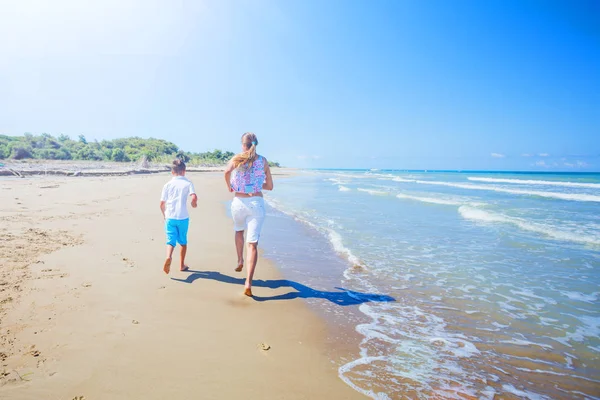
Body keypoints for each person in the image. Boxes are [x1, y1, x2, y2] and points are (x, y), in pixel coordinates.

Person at [224, 132, 274, 297]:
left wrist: (230, 186)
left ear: (242, 144)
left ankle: (240, 260)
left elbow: (226, 172)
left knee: (239, 230)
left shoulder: (237, 158)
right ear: (255, 144)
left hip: (238, 202)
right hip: (256, 203)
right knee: (252, 244)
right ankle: (248, 283)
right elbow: (270, 186)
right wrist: (257, 184)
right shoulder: (263, 161)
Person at [160, 159, 197, 274]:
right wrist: (193, 203)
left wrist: (165, 215)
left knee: (170, 241)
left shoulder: (167, 185)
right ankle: (181, 265)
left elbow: (162, 204)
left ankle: (169, 257)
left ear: (172, 172)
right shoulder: (188, 183)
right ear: (184, 171)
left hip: (170, 216)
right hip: (182, 217)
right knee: (183, 242)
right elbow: (194, 196)